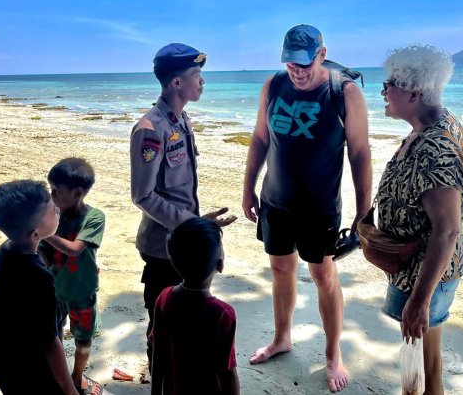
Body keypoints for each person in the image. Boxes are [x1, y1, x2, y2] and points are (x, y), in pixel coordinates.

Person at [242, 24, 372, 392]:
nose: (297, 71)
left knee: (323, 276)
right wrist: (248, 189)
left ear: (321, 54)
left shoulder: (344, 92)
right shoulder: (274, 85)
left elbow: (360, 153)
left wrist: (364, 212)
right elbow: (260, 138)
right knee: (280, 269)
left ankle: (333, 355)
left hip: (319, 207)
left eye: (304, 63)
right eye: (290, 64)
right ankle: (282, 338)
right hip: (276, 201)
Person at [376, 44, 463, 395]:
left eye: (390, 84)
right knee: (422, 358)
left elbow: (447, 230)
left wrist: (419, 301)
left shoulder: (438, 148)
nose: (383, 91)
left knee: (419, 361)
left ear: (414, 93)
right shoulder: (427, 127)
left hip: (426, 274)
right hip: (417, 270)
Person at [130, 43, 236, 366]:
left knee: (185, 323)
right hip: (163, 248)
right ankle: (161, 380)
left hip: (184, 239)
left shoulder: (180, 120)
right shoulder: (150, 130)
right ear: (176, 82)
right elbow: (143, 195)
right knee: (162, 327)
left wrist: (197, 224)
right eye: (196, 75)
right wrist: (193, 224)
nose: (202, 81)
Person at [0, 180, 79, 395]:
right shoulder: (36, 276)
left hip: (9, 366)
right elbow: (50, 344)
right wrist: (70, 389)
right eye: (52, 210)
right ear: (36, 234)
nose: (57, 208)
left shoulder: (4, 253)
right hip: (35, 376)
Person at [149, 216, 239, 395]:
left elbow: (157, 354)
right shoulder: (223, 313)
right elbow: (228, 373)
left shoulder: (164, 297)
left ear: (173, 260)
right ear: (220, 265)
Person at [41, 158, 105, 395]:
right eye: (50, 188)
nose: (51, 195)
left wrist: (42, 231)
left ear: (78, 193)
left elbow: (75, 249)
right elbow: (44, 253)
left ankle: (77, 377)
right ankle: (57, 379)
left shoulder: (94, 217)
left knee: (83, 338)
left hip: (81, 290)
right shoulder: (53, 215)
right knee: (52, 335)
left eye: (56, 190)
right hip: (55, 289)